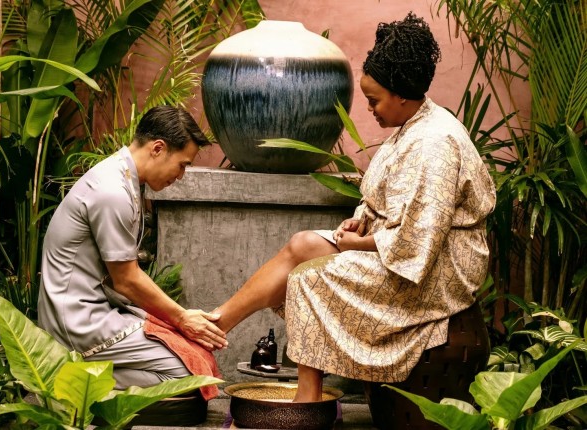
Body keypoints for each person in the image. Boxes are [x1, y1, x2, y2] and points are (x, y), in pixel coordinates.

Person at [214, 12, 496, 402]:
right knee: (302, 246)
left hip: (436, 274)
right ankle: (214, 326)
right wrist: (359, 220)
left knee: (308, 278)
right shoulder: (413, 125)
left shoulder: (435, 143)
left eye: (374, 101)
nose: (370, 110)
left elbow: (418, 243)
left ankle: (307, 396)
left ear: (400, 95)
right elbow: (386, 199)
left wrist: (357, 244)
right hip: (401, 251)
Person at [38, 105, 228, 389]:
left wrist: (178, 320)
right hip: (78, 322)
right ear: (158, 148)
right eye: (183, 165)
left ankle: (78, 377)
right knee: (190, 374)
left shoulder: (122, 178)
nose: (181, 176)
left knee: (197, 357)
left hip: (99, 310)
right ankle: (66, 379)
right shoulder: (112, 190)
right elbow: (126, 280)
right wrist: (182, 318)